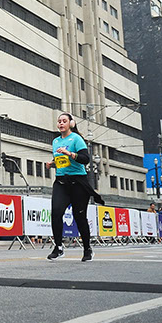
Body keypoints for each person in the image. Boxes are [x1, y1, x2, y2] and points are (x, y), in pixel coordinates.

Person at [45, 112, 104, 262]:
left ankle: (87, 249)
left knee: (79, 217)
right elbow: (60, 161)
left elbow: (85, 159)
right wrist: (52, 164)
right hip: (61, 183)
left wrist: (70, 153)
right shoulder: (55, 141)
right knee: (56, 213)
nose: (61, 123)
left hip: (78, 183)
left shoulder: (77, 139)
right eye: (59, 121)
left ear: (71, 123)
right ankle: (58, 247)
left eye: (64, 121)